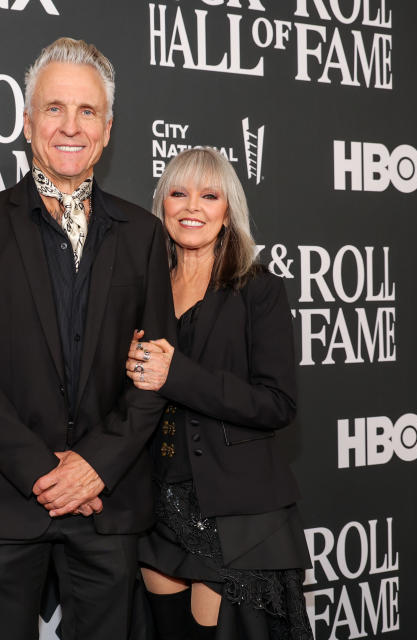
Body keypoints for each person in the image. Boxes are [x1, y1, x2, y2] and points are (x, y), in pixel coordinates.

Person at [0, 37, 174, 640]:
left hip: (106, 500)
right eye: (55, 108)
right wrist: (49, 473)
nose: (71, 126)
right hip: (3, 497)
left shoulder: (143, 234)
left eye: (87, 111)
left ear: (109, 128)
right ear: (27, 120)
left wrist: (95, 466)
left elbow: (155, 372)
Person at [127, 148, 313, 640]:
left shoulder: (258, 289)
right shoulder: (142, 291)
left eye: (209, 195)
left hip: (234, 512)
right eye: (178, 193)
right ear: (161, 204)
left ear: (228, 210)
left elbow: (278, 404)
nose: (193, 207)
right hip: (152, 502)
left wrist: (177, 374)